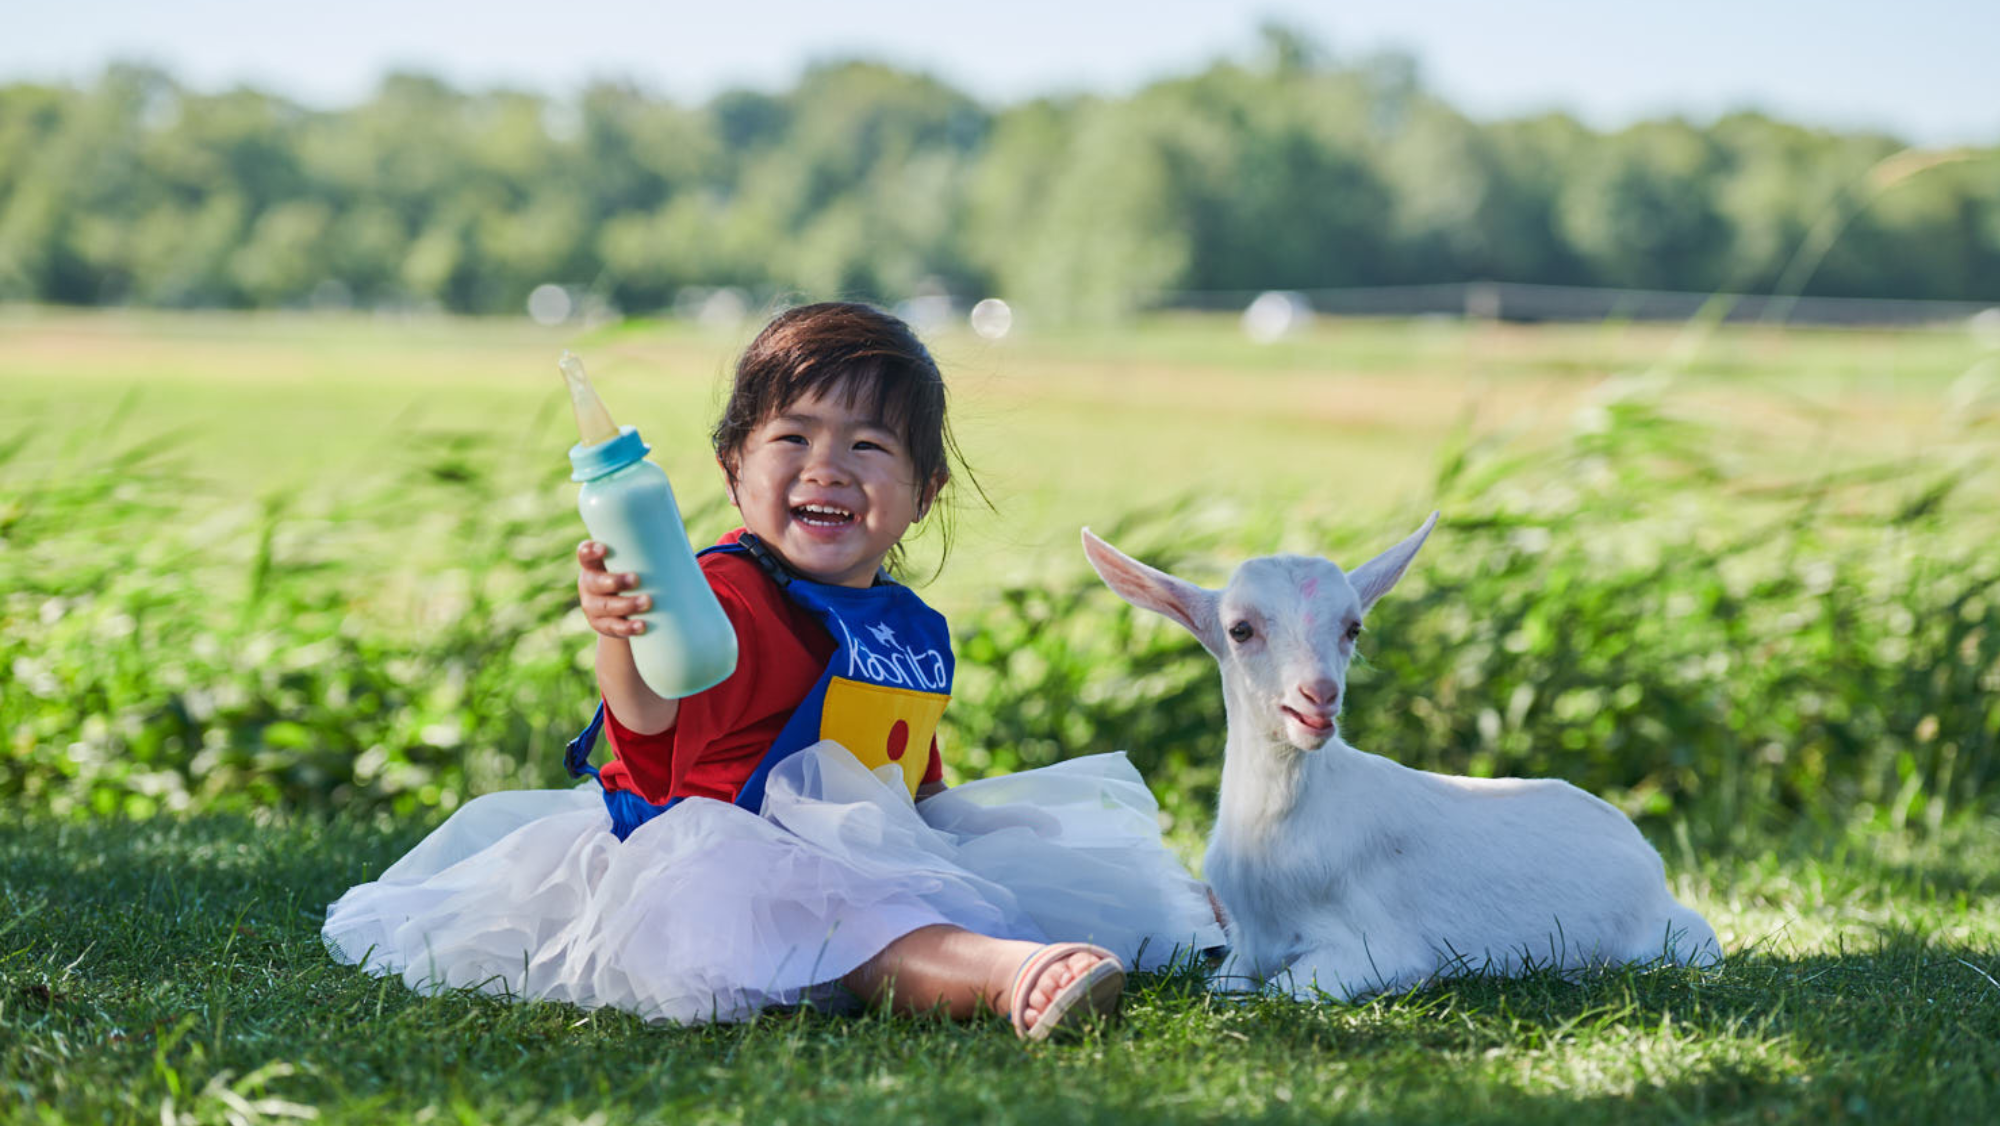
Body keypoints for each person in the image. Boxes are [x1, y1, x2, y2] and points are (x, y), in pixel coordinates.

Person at [323, 302, 1222, 1039]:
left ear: (925, 493)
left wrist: (957, 848)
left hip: (862, 849)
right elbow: (647, 722)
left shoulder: (909, 626)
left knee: (1004, 863)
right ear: (732, 468)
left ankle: (1162, 919)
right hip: (714, 853)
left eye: (869, 447)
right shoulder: (723, 589)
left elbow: (903, 769)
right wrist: (620, 632)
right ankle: (1000, 976)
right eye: (792, 437)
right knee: (844, 922)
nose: (827, 467)